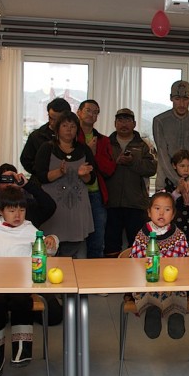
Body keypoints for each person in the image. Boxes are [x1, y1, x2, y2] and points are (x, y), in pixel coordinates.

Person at [0, 187, 58, 376]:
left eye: (21, 210)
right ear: (0, 211)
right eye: (12, 210)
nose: (17, 215)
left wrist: (51, 240)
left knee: (22, 301)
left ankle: (22, 350)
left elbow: (48, 250)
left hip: (20, 284)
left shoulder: (29, 228)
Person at [34, 111, 96, 258]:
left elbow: (92, 180)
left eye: (73, 126)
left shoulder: (84, 149)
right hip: (52, 208)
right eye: (65, 125)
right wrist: (59, 172)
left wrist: (83, 174)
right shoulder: (47, 148)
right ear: (57, 129)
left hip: (77, 208)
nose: (69, 129)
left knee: (76, 255)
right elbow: (40, 176)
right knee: (50, 252)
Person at [130, 192, 189, 340]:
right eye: (157, 208)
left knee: (177, 294)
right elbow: (133, 264)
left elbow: (185, 264)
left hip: (172, 285)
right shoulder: (141, 235)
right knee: (147, 295)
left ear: (173, 214)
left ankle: (175, 315)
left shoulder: (179, 236)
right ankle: (151, 312)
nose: (161, 213)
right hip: (147, 283)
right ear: (149, 212)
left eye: (167, 209)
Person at [104, 108, 157, 258]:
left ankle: (135, 278)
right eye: (120, 120)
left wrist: (133, 161)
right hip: (111, 203)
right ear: (115, 123)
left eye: (127, 120)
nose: (124, 124)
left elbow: (152, 168)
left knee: (137, 244)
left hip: (136, 203)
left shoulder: (143, 145)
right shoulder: (107, 143)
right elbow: (100, 167)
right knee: (111, 244)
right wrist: (116, 162)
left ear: (134, 123)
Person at [76, 99, 116, 258]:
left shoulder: (103, 140)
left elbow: (109, 169)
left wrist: (93, 155)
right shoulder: (70, 137)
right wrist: (88, 152)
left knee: (97, 241)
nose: (92, 114)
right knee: (72, 240)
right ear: (79, 112)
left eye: (96, 112)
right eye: (88, 110)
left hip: (96, 194)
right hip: (75, 194)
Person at [153, 80, 189, 191]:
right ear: (171, 98)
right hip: (165, 181)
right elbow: (163, 156)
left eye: (185, 99)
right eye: (177, 99)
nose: (181, 104)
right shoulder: (160, 121)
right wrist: (178, 181)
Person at [20, 97, 71, 175]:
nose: (53, 122)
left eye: (57, 120)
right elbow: (26, 160)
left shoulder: (73, 136)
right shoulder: (36, 136)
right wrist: (42, 172)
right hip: (41, 182)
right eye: (51, 118)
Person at [163, 149, 189, 250]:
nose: (186, 170)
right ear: (174, 166)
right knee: (175, 248)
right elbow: (168, 204)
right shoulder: (170, 182)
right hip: (175, 223)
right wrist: (178, 190)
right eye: (182, 166)